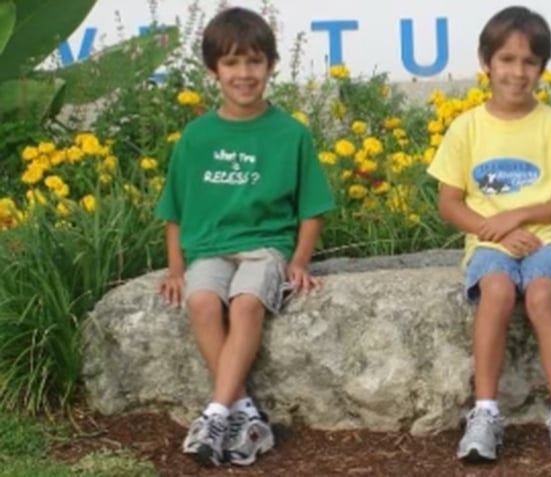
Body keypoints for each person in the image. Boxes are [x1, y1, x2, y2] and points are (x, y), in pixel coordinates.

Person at [154, 7, 335, 467]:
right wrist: (176, 269)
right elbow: (173, 214)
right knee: (200, 301)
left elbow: (311, 209)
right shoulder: (195, 137)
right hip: (209, 248)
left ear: (271, 65)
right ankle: (247, 416)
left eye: (254, 62)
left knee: (246, 303)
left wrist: (298, 261)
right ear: (214, 70)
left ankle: (216, 412)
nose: (244, 74)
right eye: (232, 63)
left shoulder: (290, 134)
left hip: (265, 247)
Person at [426, 5, 551, 465]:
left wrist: (517, 215)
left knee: (542, 294)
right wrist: (495, 230)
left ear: (542, 67)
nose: (517, 72)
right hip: (488, 245)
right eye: (506, 59)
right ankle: (484, 413)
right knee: (497, 290)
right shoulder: (466, 127)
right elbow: (448, 202)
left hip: (549, 241)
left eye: (529, 61)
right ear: (486, 63)